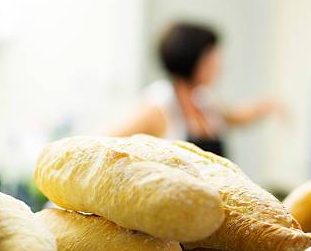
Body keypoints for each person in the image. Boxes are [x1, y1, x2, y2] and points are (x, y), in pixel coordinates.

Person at [110, 22, 279, 156]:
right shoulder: (158, 107)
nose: (218, 66)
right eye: (210, 58)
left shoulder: (205, 101)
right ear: (191, 59)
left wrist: (268, 105)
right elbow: (104, 142)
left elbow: (238, 117)